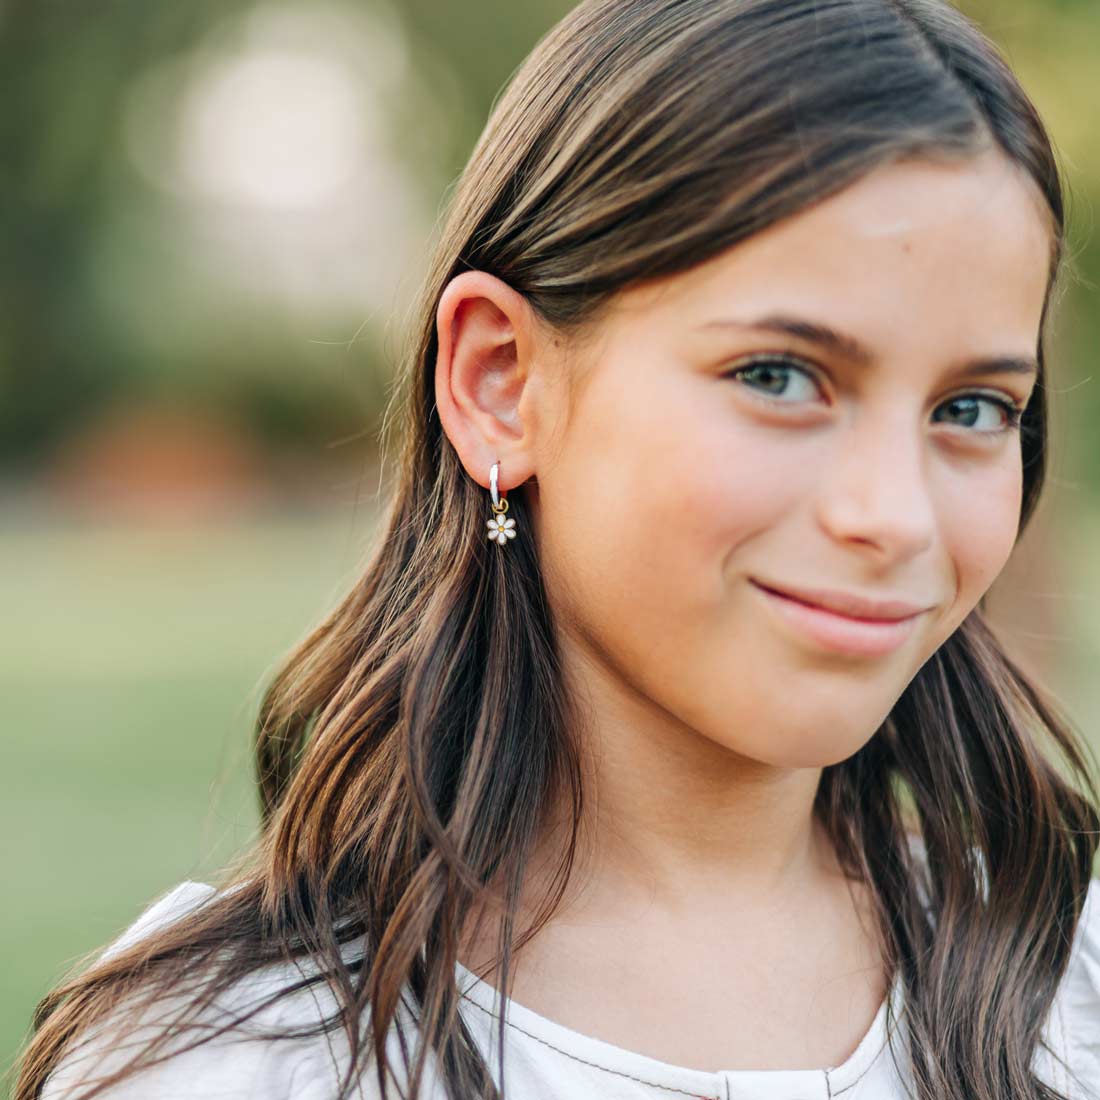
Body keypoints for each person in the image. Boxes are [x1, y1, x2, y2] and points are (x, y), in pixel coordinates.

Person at [16, 0, 1100, 1098]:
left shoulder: (1068, 981)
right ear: (498, 382)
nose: (896, 515)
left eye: (970, 407)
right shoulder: (235, 1055)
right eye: (777, 376)